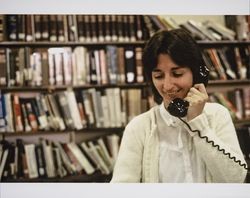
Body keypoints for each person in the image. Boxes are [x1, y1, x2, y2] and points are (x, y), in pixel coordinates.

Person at [111, 29, 247, 183]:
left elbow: (235, 180)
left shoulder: (217, 115)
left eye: (177, 74)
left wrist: (198, 123)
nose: (168, 86)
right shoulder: (139, 127)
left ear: (196, 74)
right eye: (158, 76)